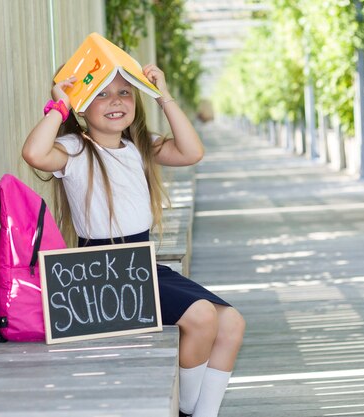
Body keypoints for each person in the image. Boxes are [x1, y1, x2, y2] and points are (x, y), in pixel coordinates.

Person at [22, 63, 245, 417]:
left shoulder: (139, 145)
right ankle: (186, 409)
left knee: (231, 322)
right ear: (82, 104)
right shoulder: (75, 148)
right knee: (201, 316)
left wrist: (163, 95)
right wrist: (60, 105)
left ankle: (203, 413)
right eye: (101, 94)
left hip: (140, 264)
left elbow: (192, 152)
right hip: (99, 272)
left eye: (125, 92)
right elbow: (34, 153)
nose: (116, 101)